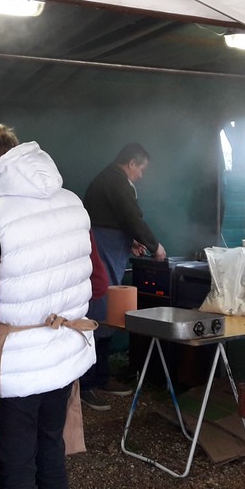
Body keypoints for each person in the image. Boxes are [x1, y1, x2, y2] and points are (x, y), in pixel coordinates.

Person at [0, 123, 107, 489]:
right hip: (64, 358)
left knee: (14, 468)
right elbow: (98, 283)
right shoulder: (71, 202)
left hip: (15, 370)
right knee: (50, 452)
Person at [80, 142, 167, 411]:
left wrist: (129, 243)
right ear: (131, 163)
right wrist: (155, 245)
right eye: (141, 169)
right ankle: (85, 384)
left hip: (112, 250)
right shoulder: (114, 181)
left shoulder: (113, 181)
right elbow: (131, 219)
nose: (141, 174)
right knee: (98, 313)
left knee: (108, 315)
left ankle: (102, 376)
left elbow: (116, 221)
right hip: (100, 253)